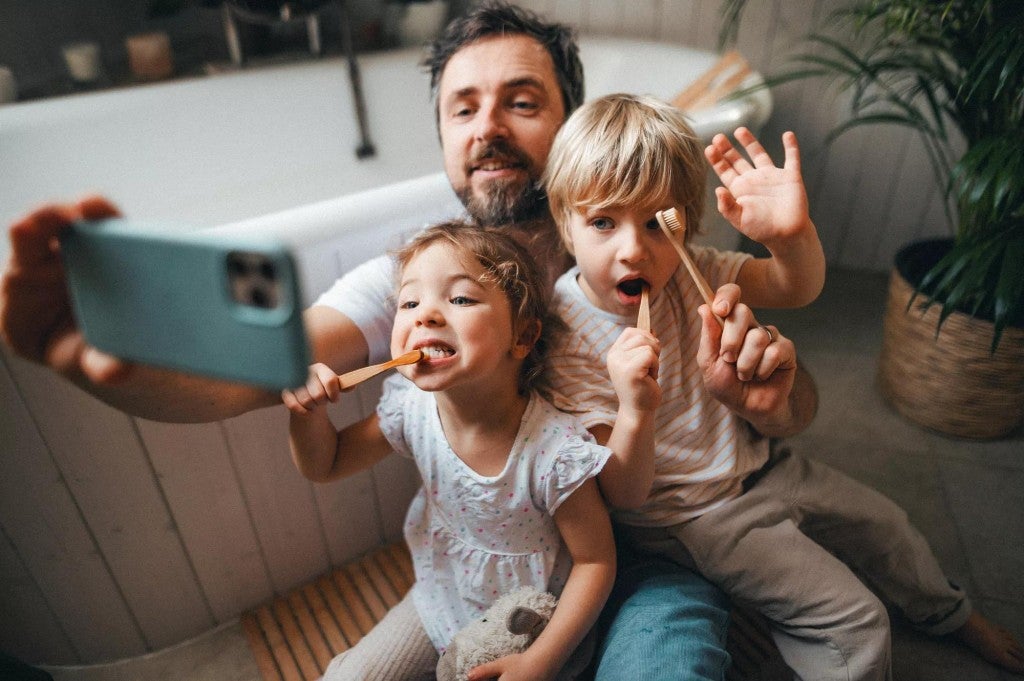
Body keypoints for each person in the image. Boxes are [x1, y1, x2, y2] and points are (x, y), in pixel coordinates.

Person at [0, 3, 733, 679]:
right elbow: (254, 372)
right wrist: (103, 367)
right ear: (443, 136)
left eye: (520, 100)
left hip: (650, 542)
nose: (487, 128)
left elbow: (781, 386)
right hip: (474, 582)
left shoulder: (641, 240)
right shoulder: (413, 281)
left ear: (571, 120)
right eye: (463, 109)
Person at [542, 92, 1024, 679]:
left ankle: (949, 616)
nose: (634, 249)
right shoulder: (564, 337)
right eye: (602, 223)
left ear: (687, 225)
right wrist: (635, 409)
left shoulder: (696, 270)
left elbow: (795, 286)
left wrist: (790, 238)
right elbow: (623, 495)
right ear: (565, 224)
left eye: (655, 223)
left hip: (768, 462)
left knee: (891, 527)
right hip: (695, 517)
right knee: (856, 622)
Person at [283, 221, 615, 680]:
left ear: (522, 336)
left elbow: (596, 561)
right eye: (410, 302)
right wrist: (307, 412)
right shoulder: (410, 410)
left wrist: (540, 661)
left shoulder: (554, 454)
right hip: (442, 595)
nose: (426, 316)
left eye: (460, 299)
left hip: (532, 628)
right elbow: (328, 463)